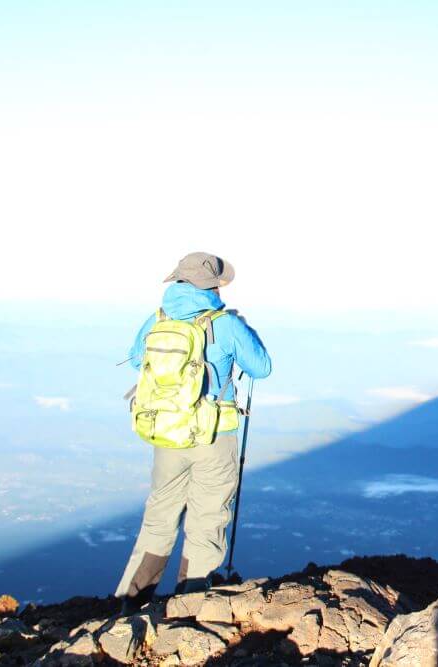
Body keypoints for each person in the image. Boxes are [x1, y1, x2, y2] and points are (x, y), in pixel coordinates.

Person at [116, 252, 271, 614]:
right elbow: (261, 368)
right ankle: (187, 607)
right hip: (215, 435)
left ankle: (130, 606)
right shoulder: (224, 324)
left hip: (168, 434)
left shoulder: (158, 319)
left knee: (159, 518)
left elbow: (137, 359)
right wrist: (243, 331)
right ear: (214, 285)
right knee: (207, 520)